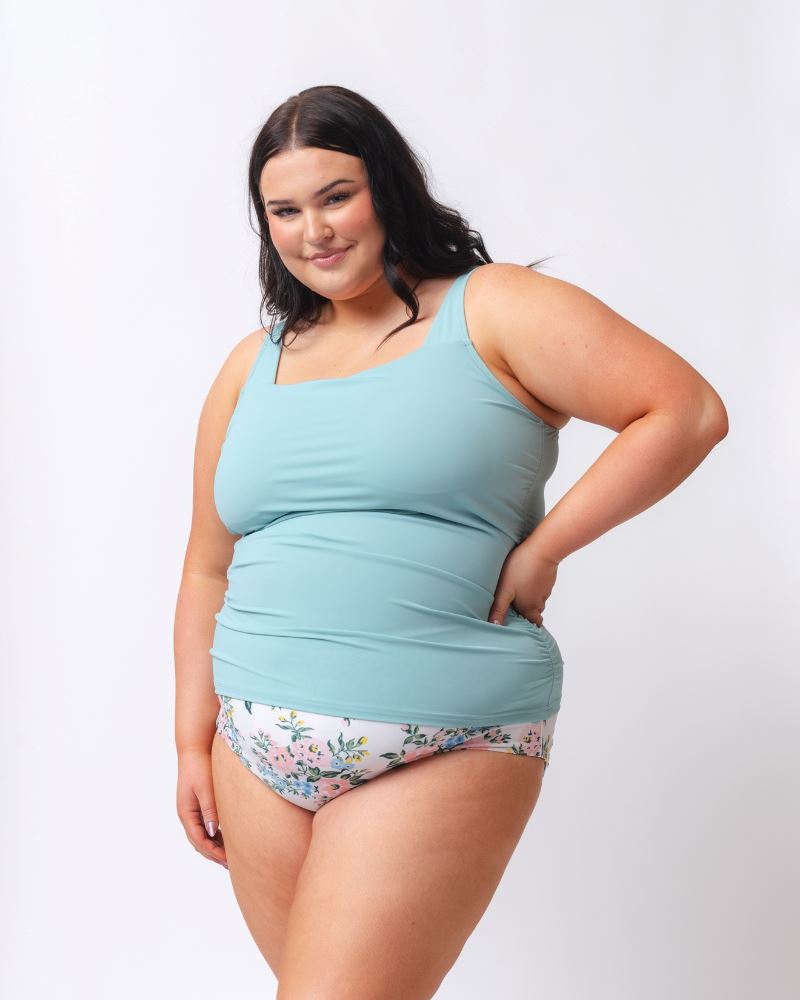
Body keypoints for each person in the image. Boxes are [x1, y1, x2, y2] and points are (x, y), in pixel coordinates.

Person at [174, 84, 728, 995]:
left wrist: (545, 548)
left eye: (336, 196)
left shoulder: (493, 308)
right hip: (255, 749)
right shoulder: (253, 362)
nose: (315, 230)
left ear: (388, 188)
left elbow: (686, 411)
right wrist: (192, 744)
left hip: (445, 736)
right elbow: (206, 566)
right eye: (285, 210)